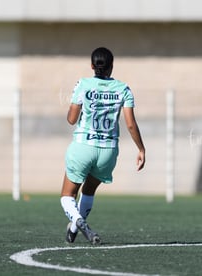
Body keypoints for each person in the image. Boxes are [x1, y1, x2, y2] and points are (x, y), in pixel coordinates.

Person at [60, 47, 146, 245]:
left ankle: (77, 220)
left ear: (92, 66)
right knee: (88, 191)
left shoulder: (83, 84)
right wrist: (141, 149)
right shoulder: (123, 89)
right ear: (112, 66)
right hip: (108, 151)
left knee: (67, 195)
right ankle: (74, 228)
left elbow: (71, 120)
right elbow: (130, 124)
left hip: (83, 146)